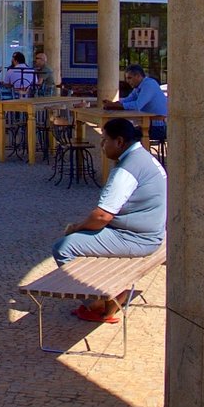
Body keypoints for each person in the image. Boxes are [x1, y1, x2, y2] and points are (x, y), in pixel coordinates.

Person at [52, 118, 167, 323]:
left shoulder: (126, 170)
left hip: (136, 238)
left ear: (119, 142)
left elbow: (102, 216)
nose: (102, 145)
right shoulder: (145, 157)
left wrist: (75, 228)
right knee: (86, 238)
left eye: (105, 140)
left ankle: (98, 302)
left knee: (64, 247)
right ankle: (107, 292)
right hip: (152, 231)